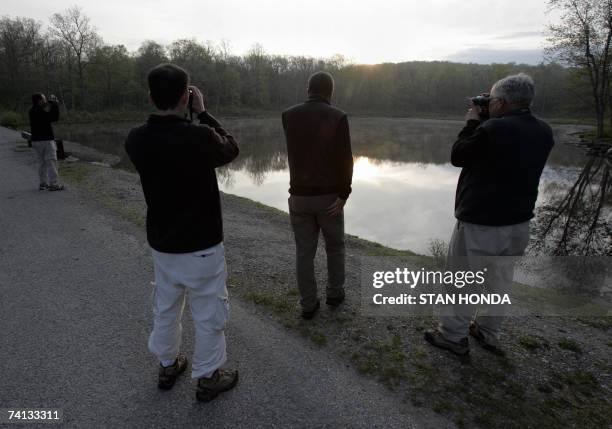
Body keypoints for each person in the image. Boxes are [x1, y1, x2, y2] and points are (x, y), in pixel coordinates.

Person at [124, 63, 240, 402]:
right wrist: (204, 115)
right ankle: (208, 377)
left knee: (165, 307)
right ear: (186, 96)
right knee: (209, 314)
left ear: (150, 96)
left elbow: (163, 146)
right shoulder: (199, 136)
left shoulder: (135, 139)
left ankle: (168, 364)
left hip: (162, 243)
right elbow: (231, 148)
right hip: (202, 245)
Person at [425, 73, 555, 355]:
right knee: (500, 280)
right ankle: (488, 332)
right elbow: (504, 150)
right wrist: (489, 119)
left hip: (481, 222)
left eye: (493, 100)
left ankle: (453, 336)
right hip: (519, 222)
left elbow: (459, 155)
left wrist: (473, 121)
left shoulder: (492, 130)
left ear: (501, 102)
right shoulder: (544, 131)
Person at [282, 71, 354, 319]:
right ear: (330, 92)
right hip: (328, 198)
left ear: (307, 90)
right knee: (335, 247)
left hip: (298, 197)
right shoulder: (338, 117)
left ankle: (308, 305)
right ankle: (335, 294)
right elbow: (346, 159)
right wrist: (344, 194)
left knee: (304, 252)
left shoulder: (288, 116)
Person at [29, 93, 64, 191]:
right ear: (39, 100)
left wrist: (51, 104)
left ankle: (43, 183)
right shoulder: (40, 111)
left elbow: (47, 114)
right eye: (44, 99)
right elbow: (53, 118)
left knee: (41, 162)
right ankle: (54, 184)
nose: (45, 101)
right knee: (51, 161)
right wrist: (55, 105)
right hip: (46, 140)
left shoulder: (32, 110)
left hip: (36, 140)